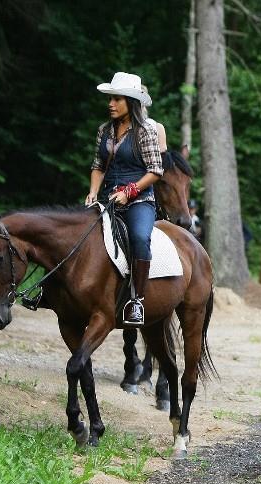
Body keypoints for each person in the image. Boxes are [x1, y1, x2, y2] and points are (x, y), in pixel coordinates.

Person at [85, 72, 163, 327]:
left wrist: (129, 192)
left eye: (117, 99)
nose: (111, 104)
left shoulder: (147, 130)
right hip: (107, 198)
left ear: (131, 102)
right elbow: (98, 165)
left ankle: (136, 301)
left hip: (140, 201)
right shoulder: (103, 130)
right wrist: (93, 191)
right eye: (110, 99)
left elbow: (155, 170)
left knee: (140, 237)